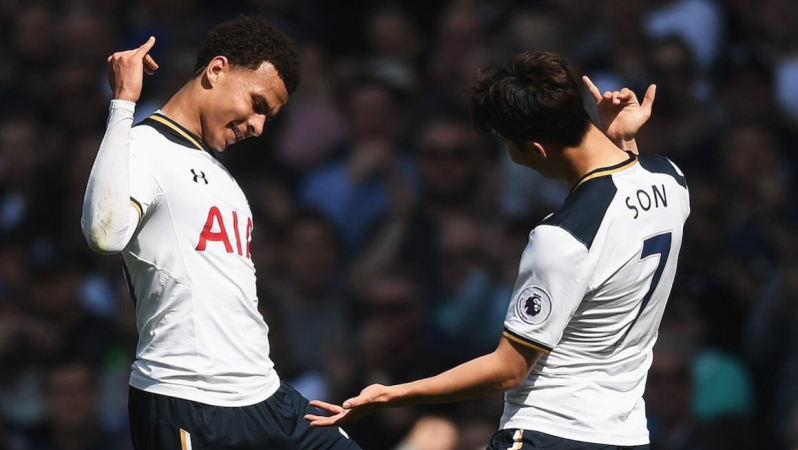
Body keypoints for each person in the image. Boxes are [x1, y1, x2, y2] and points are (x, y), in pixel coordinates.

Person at [307, 51, 689, 450]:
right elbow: (629, 195)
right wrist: (621, 140)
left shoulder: (561, 238)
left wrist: (390, 394)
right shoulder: (671, 179)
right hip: (626, 437)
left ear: (537, 149)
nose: (510, 157)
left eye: (509, 146)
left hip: (550, 432)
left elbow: (508, 370)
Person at [80, 15, 361, 450]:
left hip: (265, 396)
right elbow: (104, 234)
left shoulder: (222, 174)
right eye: (258, 104)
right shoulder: (144, 146)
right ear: (216, 69)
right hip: (185, 399)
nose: (258, 126)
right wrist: (123, 102)